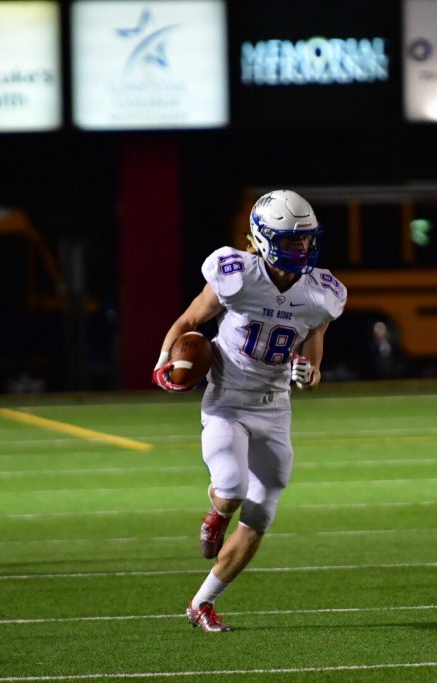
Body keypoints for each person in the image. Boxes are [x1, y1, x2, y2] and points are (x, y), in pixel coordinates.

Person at [152, 189, 347, 631]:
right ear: (261, 237)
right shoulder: (235, 273)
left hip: (275, 407)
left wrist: (311, 370)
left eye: (305, 239)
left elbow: (315, 339)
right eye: (289, 239)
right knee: (233, 488)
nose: (300, 248)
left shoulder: (322, 292)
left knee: (261, 515)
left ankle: (201, 603)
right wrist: (164, 363)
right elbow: (188, 322)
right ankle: (217, 514)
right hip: (227, 400)